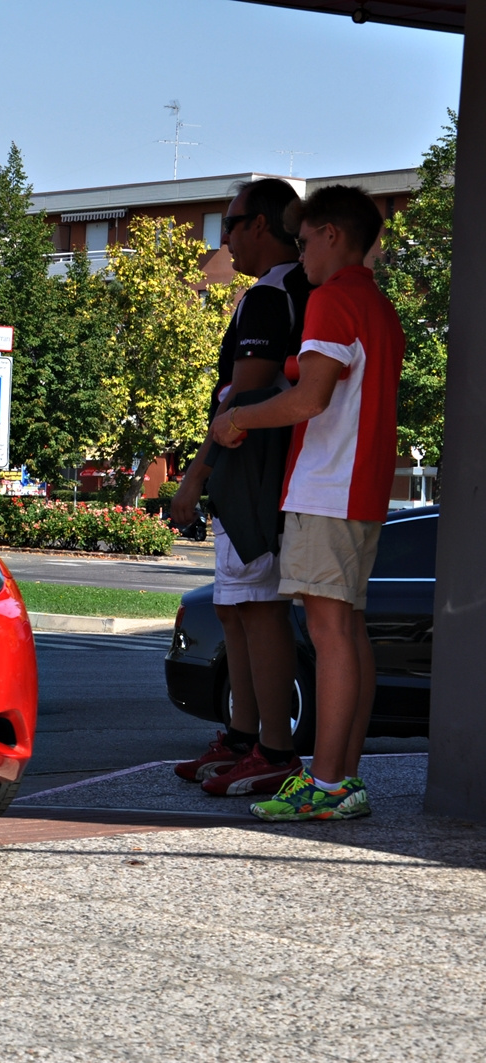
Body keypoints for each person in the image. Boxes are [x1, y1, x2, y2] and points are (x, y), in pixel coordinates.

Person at [208, 185, 405, 821]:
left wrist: (238, 420)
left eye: (304, 240)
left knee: (328, 634)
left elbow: (310, 400)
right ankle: (342, 775)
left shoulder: (333, 299)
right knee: (346, 629)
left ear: (330, 235)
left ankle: (326, 785)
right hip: (363, 487)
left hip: (328, 483)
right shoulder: (379, 305)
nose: (299, 255)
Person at [170, 178, 310, 796]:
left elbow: (242, 400)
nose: (223, 239)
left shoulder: (270, 294)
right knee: (235, 606)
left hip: (254, 476)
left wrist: (194, 475)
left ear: (260, 225)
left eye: (229, 226)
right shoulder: (294, 289)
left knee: (257, 607)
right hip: (266, 473)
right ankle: (244, 737)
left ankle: (272, 748)